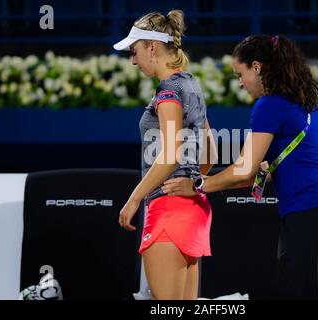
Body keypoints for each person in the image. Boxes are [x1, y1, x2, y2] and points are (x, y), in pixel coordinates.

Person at [161, 34, 318, 300]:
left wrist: (196, 185)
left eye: (240, 74)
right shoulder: (302, 100)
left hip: (310, 218)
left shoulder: (269, 104)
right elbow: (249, 175)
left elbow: (242, 171)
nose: (240, 83)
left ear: (257, 67)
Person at [115, 10, 217, 300]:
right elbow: (209, 152)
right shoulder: (191, 85)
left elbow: (171, 153)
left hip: (169, 210)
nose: (133, 61)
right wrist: (192, 181)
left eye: (134, 52)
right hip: (194, 209)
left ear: (152, 47)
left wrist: (134, 198)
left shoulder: (168, 91)